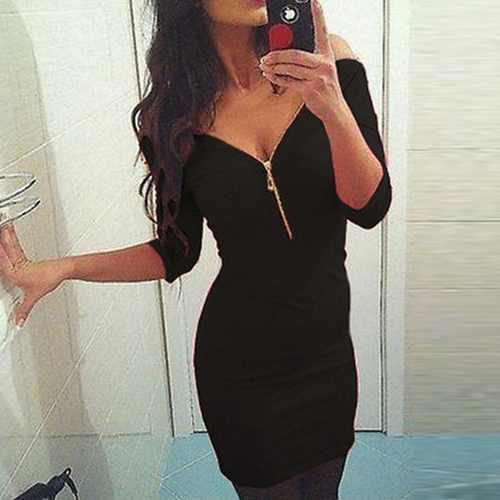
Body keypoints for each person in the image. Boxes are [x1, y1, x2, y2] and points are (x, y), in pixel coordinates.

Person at [0, 1, 392, 498]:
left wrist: (331, 105)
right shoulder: (174, 118)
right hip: (241, 372)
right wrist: (62, 268)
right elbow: (175, 253)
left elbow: (369, 206)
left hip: (327, 358)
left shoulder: (329, 65)